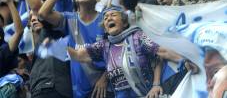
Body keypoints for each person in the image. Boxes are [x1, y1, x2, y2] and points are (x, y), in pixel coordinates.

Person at [67, 6, 199, 98]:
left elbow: (161, 52)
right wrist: (58, 46)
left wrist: (184, 60)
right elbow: (78, 55)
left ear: (124, 23)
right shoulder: (103, 46)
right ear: (105, 29)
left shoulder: (137, 36)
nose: (108, 19)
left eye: (113, 15)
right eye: (106, 18)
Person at [38, 0, 111, 98]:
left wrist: (105, 78)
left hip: (103, 88)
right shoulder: (68, 18)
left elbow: (116, 52)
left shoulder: (105, 20)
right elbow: (42, 13)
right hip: (79, 90)